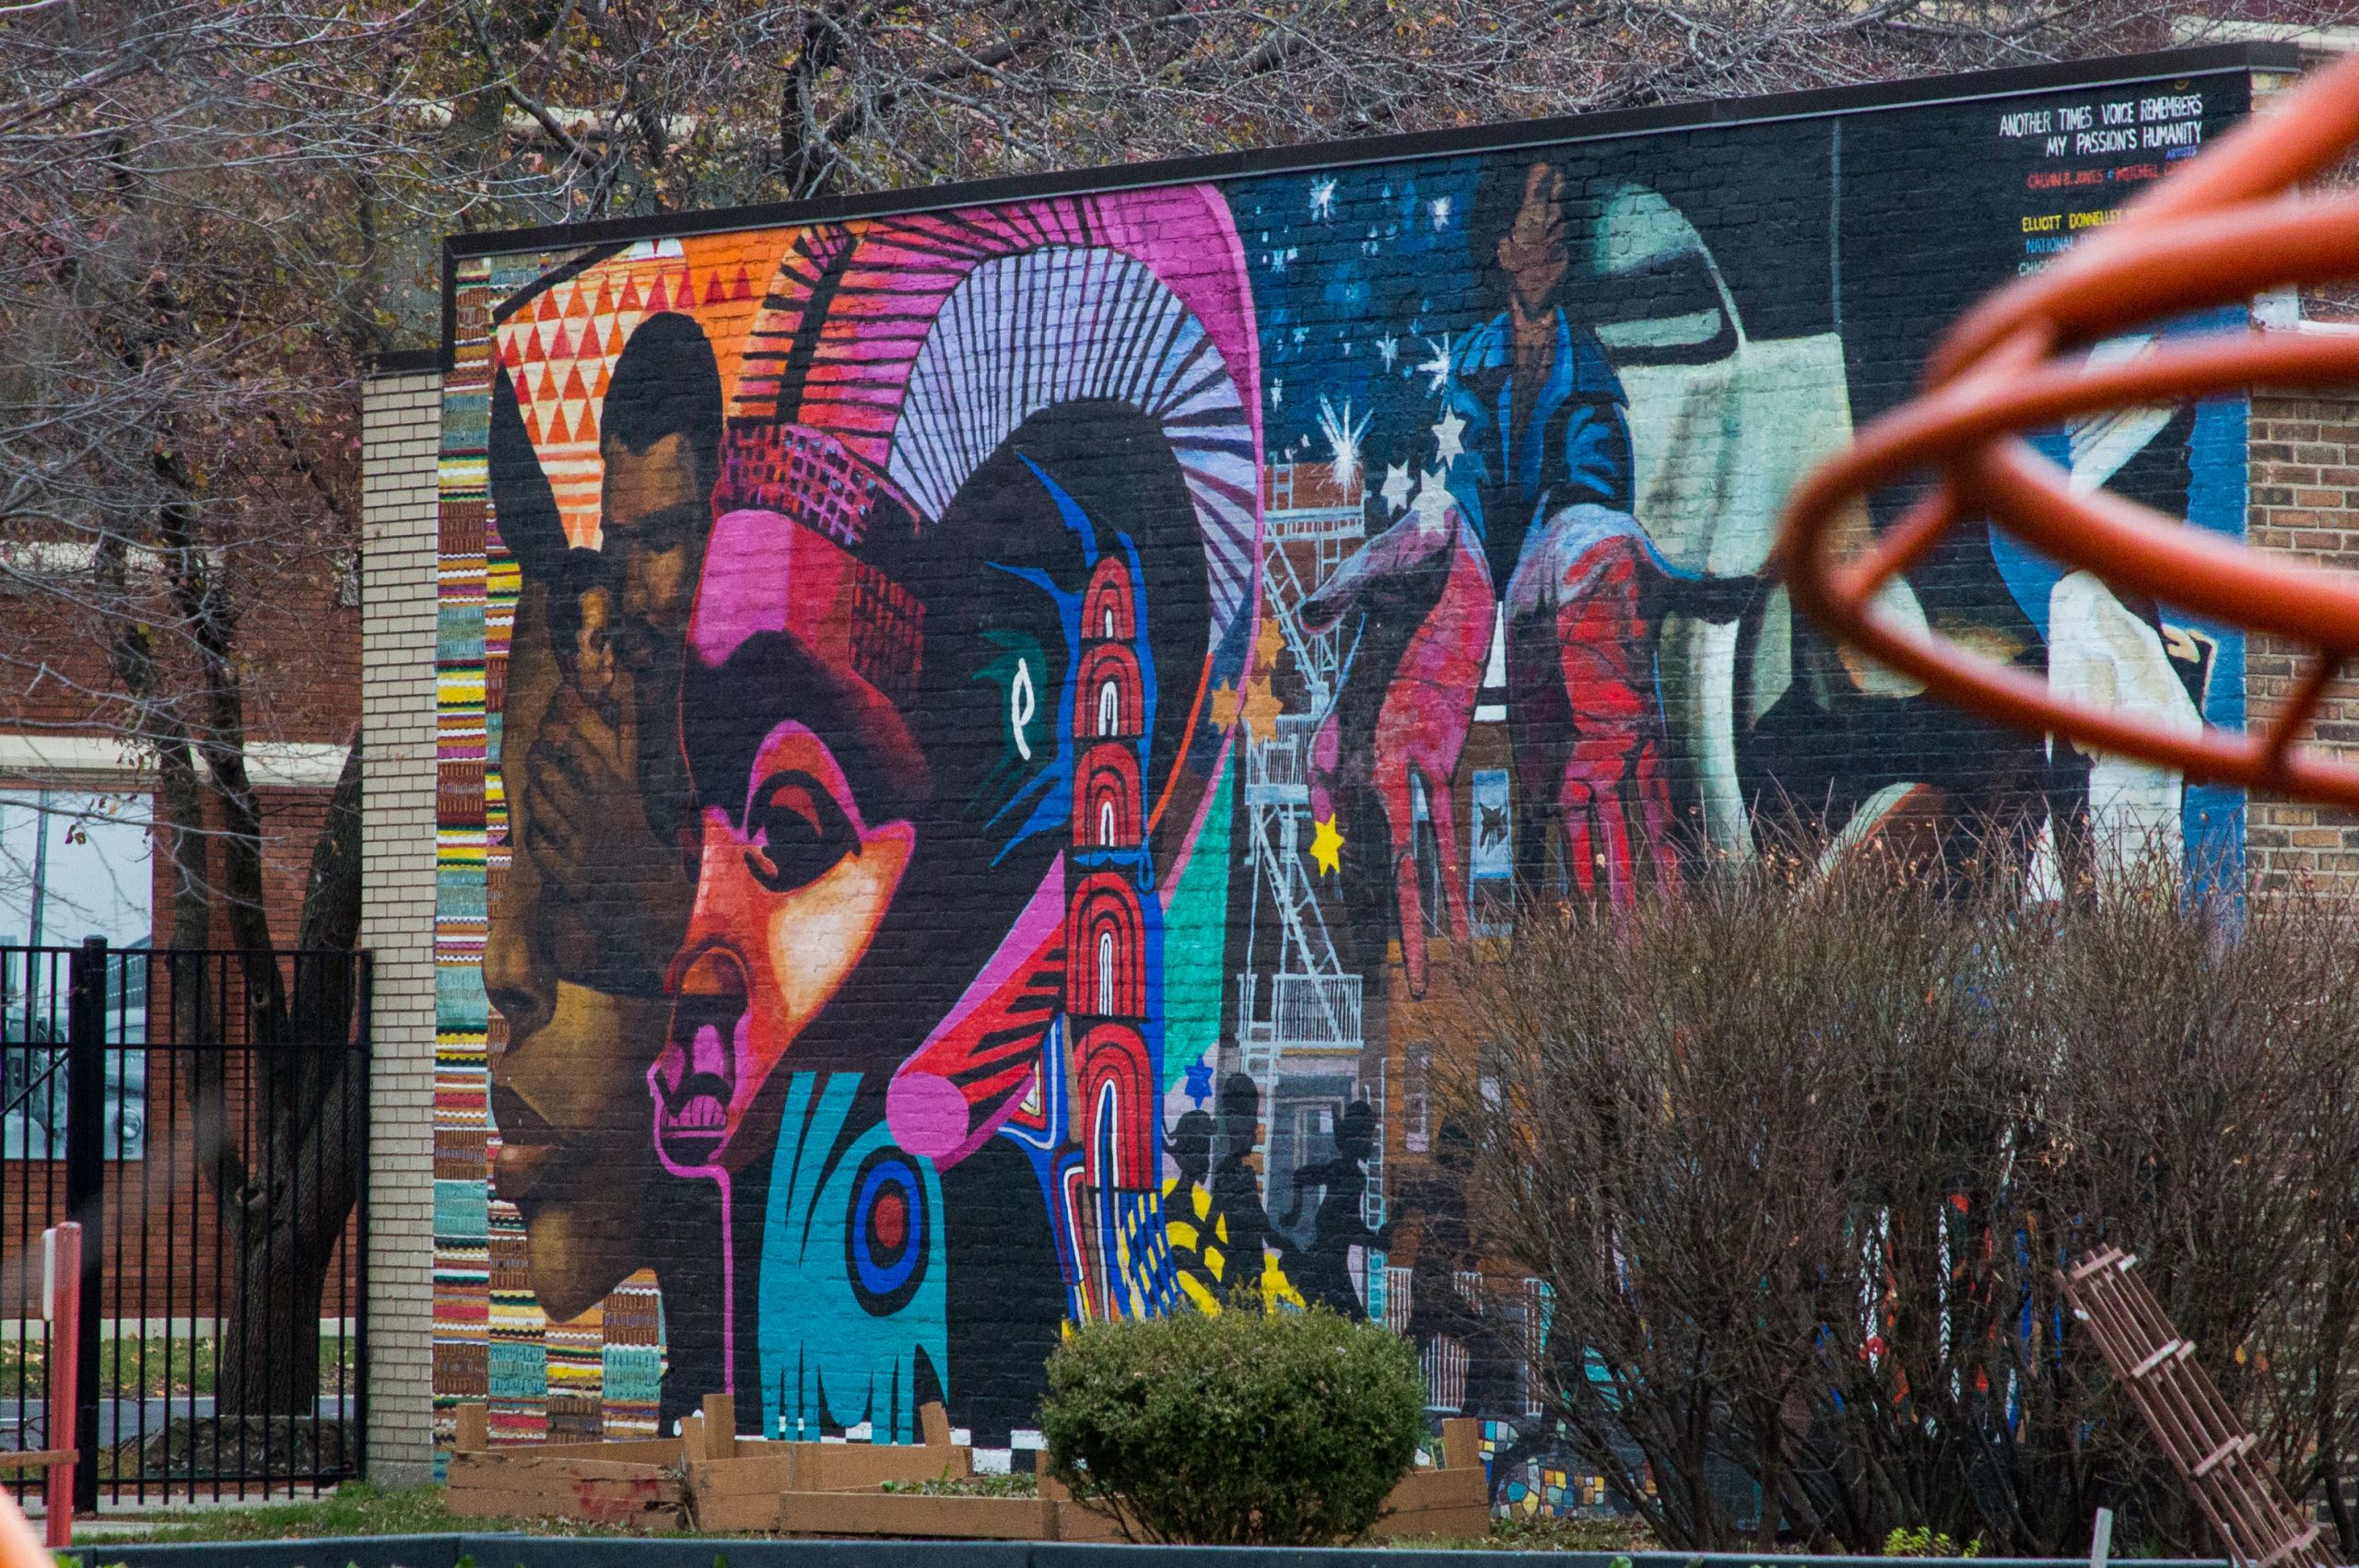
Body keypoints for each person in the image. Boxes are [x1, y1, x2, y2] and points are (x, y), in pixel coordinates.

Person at [481, 309, 723, 1326]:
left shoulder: (742, 725)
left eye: (661, 540)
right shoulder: (610, 659)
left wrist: (640, 889)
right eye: (617, 541)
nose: (632, 583)